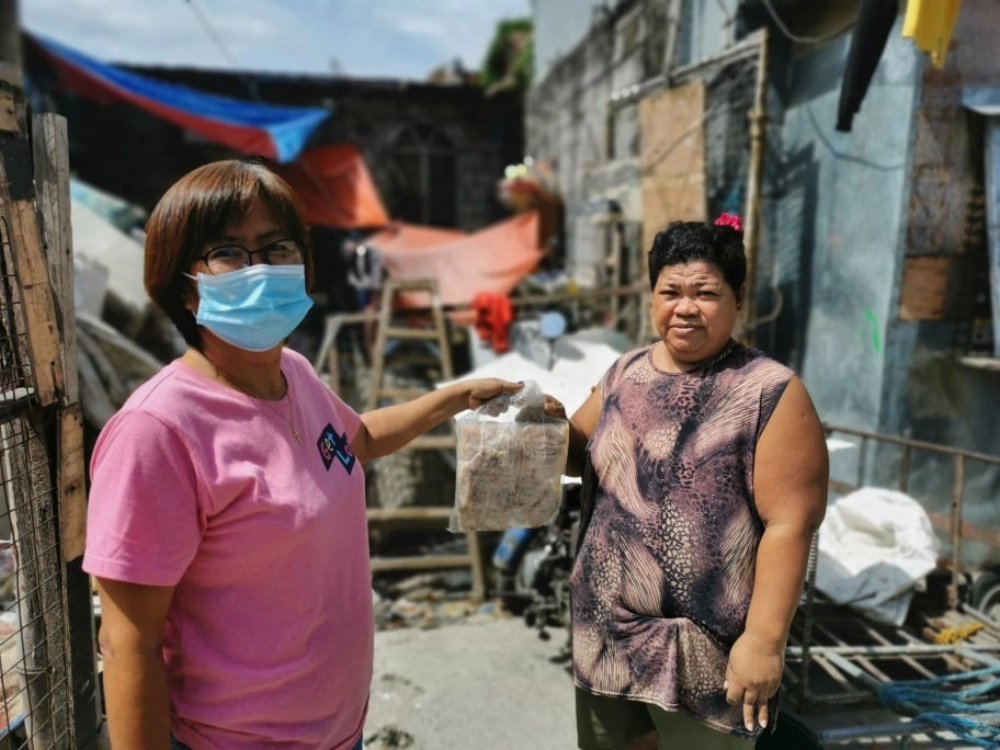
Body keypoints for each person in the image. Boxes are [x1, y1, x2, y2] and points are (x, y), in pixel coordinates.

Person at [83, 158, 525, 750]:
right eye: (230, 254)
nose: (260, 270)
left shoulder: (294, 373)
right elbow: (128, 644)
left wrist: (452, 399)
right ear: (184, 285)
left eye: (275, 248)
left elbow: (355, 441)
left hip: (341, 733)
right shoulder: (157, 430)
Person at [561, 215, 829, 750]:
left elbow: (790, 524)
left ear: (738, 297)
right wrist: (535, 426)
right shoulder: (624, 373)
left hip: (706, 656)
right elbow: (576, 456)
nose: (685, 307)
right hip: (606, 640)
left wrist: (763, 641)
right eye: (670, 292)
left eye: (705, 292)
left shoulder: (767, 391)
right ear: (652, 296)